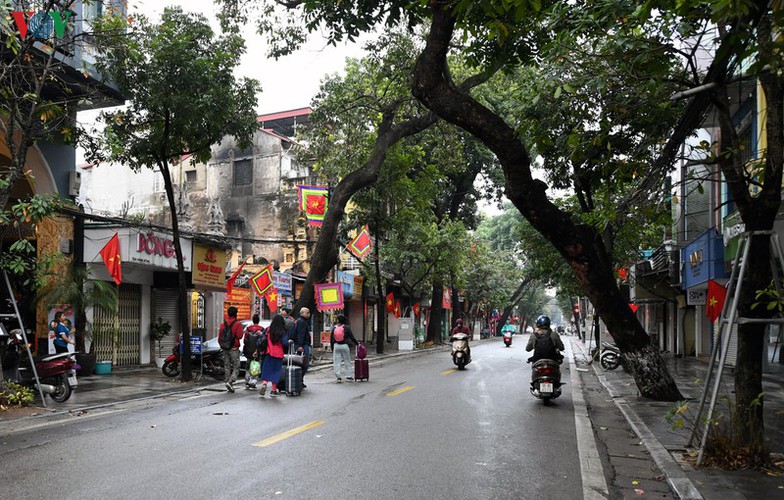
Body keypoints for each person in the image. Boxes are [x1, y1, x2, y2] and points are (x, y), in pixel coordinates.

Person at [259, 314, 286, 397]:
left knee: (267, 370)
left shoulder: (268, 330)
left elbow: (261, 339)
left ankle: (264, 383)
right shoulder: (282, 332)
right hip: (278, 354)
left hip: (268, 353)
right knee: (276, 371)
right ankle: (273, 390)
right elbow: (285, 343)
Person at [221, 306, 245, 393]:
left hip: (225, 348)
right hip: (234, 348)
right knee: (236, 366)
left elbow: (220, 337)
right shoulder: (237, 324)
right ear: (236, 314)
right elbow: (240, 336)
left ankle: (227, 381)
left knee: (227, 365)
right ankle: (230, 381)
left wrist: (223, 345)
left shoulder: (223, 324)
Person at [330, 314, 359, 383]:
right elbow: (352, 337)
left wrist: (332, 348)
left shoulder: (334, 328)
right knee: (347, 361)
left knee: (337, 362)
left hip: (336, 346)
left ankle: (338, 377)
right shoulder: (346, 327)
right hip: (345, 346)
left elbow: (331, 339)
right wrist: (357, 343)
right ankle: (349, 376)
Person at [291, 307, 312, 388]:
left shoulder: (299, 321)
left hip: (300, 345)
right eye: (307, 312)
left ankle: (299, 381)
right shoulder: (301, 322)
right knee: (304, 364)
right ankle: (299, 380)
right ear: (302, 313)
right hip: (302, 345)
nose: (308, 314)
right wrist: (300, 345)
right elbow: (301, 334)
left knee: (300, 363)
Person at [243, 314, 265, 389]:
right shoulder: (262, 329)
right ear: (258, 321)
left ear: (253, 320)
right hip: (258, 350)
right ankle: (253, 381)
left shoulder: (248, 328)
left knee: (248, 365)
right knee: (256, 365)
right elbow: (263, 341)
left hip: (249, 350)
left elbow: (245, 340)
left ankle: (247, 380)